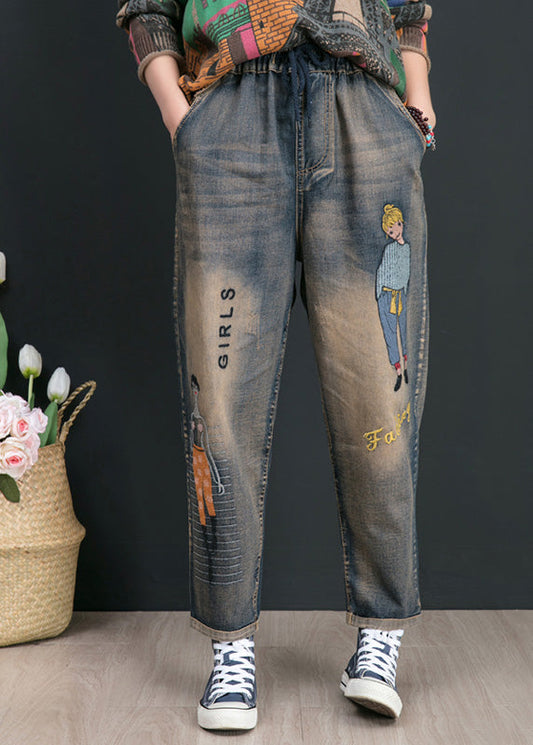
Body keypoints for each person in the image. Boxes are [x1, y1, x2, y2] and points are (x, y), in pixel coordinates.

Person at [116, 0, 436, 732]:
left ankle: (379, 635)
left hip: (364, 112)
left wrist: (414, 104)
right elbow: (147, 9)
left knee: (379, 396)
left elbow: (409, 11)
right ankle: (229, 646)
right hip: (231, 116)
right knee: (221, 400)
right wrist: (182, 121)